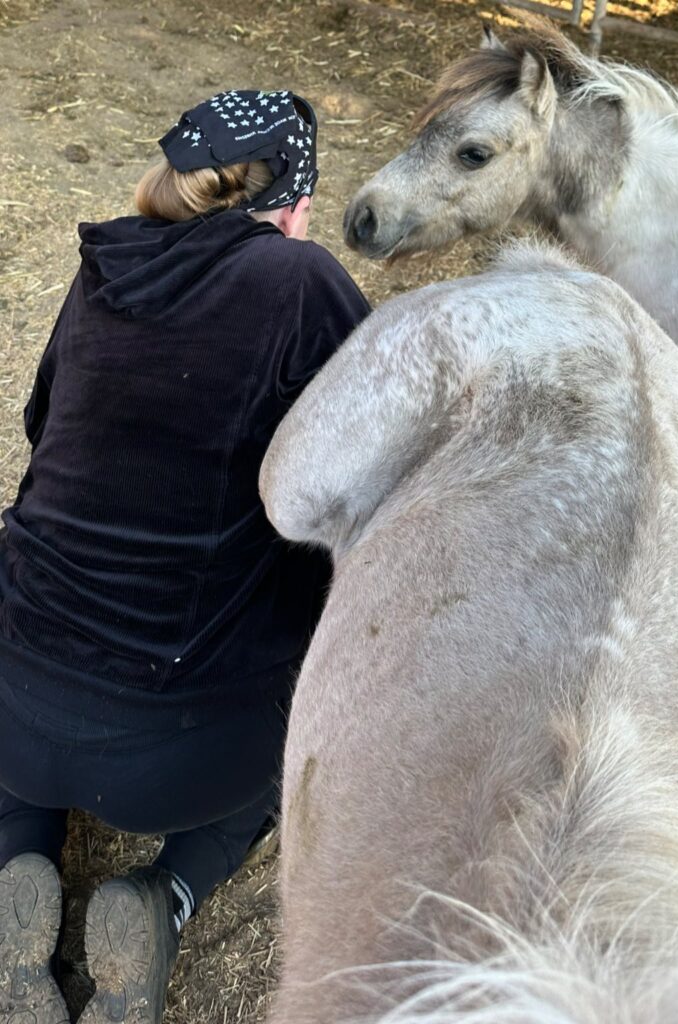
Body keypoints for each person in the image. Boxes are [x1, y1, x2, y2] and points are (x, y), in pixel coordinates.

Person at [0, 89, 370, 1024]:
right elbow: (378, 473)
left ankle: (17, 862)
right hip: (184, 754)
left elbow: (44, 427)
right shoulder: (299, 281)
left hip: (11, 690)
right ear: (290, 200)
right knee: (312, 687)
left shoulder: (101, 273)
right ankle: (164, 895)